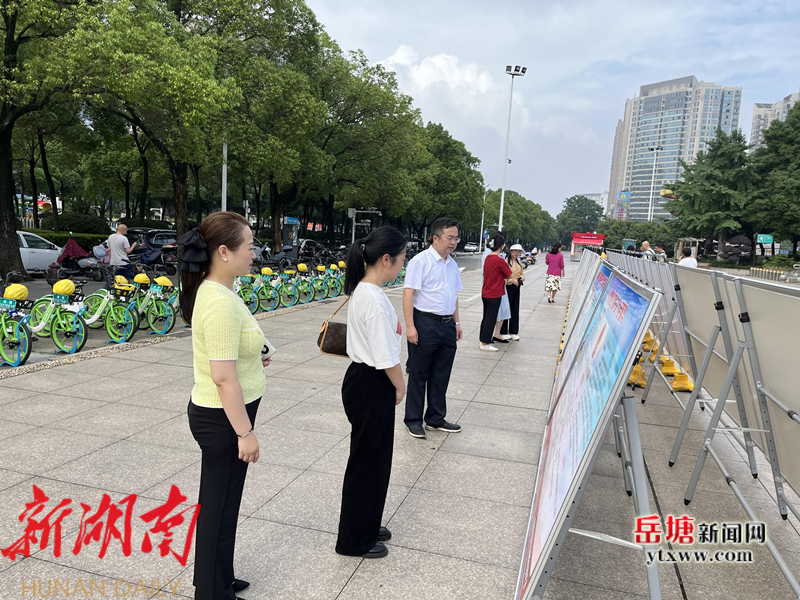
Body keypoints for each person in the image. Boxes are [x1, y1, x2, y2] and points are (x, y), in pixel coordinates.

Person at [179, 212, 270, 600]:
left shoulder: (223, 291)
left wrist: (256, 355)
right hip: (223, 420)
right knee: (217, 508)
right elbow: (222, 377)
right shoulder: (217, 300)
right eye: (249, 246)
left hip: (227, 415)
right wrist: (245, 433)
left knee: (226, 504)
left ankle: (221, 578)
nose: (254, 253)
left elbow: (232, 351)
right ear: (223, 252)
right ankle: (211, 592)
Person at [335, 226, 407, 560]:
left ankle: (367, 522)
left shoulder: (364, 290)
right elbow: (385, 355)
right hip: (372, 381)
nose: (402, 266)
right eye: (402, 259)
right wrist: (401, 385)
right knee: (368, 461)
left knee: (372, 458)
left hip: (364, 379)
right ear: (387, 259)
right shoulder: (373, 298)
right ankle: (354, 539)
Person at [403, 217, 464, 440]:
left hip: (447, 325)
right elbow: (408, 294)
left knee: (441, 374)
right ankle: (413, 420)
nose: (453, 242)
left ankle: (435, 418)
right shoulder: (420, 261)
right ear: (435, 238)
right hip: (424, 323)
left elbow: (454, 295)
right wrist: (410, 326)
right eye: (449, 238)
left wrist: (457, 322)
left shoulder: (452, 264)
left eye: (456, 238)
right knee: (419, 373)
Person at [480, 233, 512, 351]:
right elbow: (509, 274)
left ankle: (483, 339)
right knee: (491, 318)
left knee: (486, 317)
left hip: (486, 292)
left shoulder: (487, 257)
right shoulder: (499, 260)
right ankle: (485, 343)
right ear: (501, 246)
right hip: (495, 293)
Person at [500, 243, 525, 341]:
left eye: (519, 251)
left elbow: (522, 274)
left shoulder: (519, 263)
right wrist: (511, 280)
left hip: (516, 287)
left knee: (515, 308)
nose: (517, 253)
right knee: (506, 309)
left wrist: (521, 278)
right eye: (515, 251)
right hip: (507, 287)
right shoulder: (505, 262)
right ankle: (503, 331)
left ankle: (513, 331)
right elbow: (502, 276)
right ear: (510, 251)